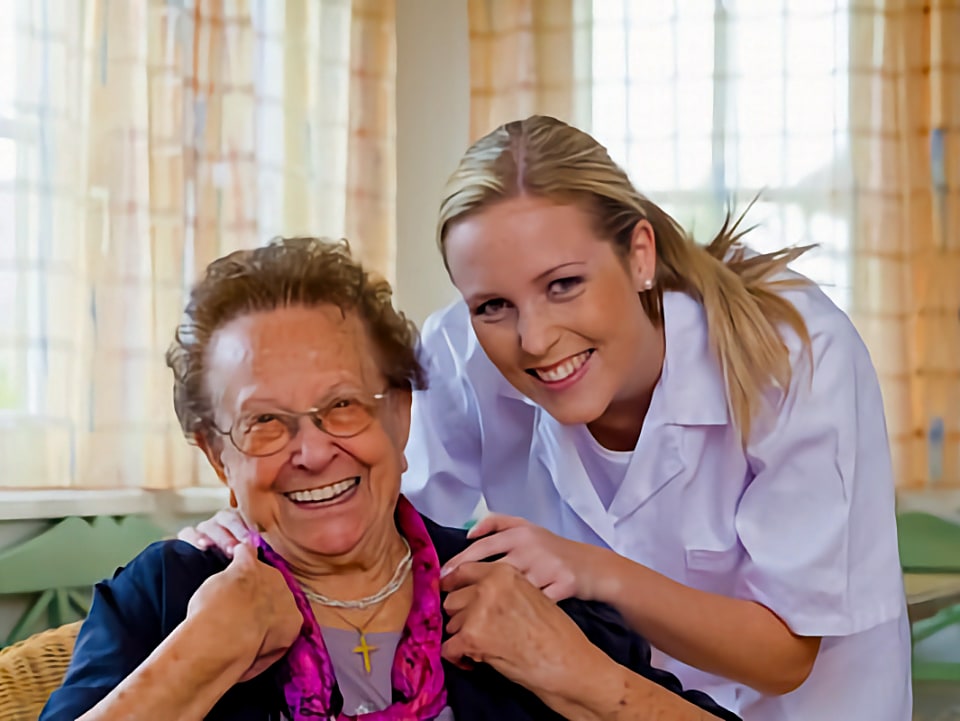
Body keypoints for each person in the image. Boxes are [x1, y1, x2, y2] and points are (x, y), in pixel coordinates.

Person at [182, 116, 911, 720]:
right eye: (492, 305)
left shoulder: (791, 349)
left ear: (639, 252)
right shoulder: (460, 355)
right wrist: (253, 528)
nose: (532, 339)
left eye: (564, 284)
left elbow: (785, 655)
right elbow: (384, 527)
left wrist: (589, 570)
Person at [41, 238, 738, 721]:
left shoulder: (509, 585)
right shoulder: (167, 599)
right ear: (219, 458)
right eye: (265, 422)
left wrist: (574, 670)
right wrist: (202, 652)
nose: (312, 451)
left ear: (401, 416)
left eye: (342, 405)